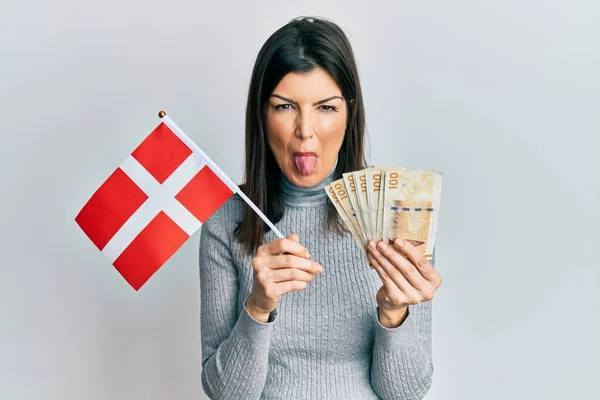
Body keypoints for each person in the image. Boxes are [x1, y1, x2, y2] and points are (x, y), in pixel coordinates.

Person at [198, 16, 442, 400]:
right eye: (285, 107)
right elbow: (225, 393)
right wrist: (258, 307)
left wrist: (394, 312)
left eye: (326, 107)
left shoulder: (398, 211)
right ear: (262, 115)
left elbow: (404, 393)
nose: (305, 130)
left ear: (349, 113)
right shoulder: (226, 218)